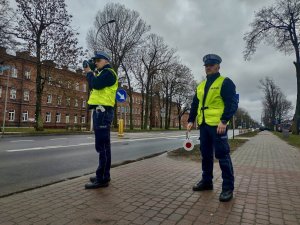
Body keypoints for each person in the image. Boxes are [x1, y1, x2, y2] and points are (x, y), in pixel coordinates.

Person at [187, 54, 238, 202]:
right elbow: (195, 104)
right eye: (206, 65)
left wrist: (224, 121)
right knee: (206, 155)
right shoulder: (201, 85)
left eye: (211, 64)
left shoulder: (225, 82)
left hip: (218, 126)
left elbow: (232, 104)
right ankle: (207, 182)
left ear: (218, 66)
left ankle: (228, 188)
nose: (208, 67)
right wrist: (191, 120)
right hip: (203, 125)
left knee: (223, 155)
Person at [83, 51, 118, 189]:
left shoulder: (108, 73)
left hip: (103, 112)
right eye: (95, 61)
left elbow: (95, 84)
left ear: (105, 60)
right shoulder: (103, 73)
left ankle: (102, 178)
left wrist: (89, 72)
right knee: (104, 146)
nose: (96, 63)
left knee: (102, 146)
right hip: (101, 111)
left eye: (98, 60)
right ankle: (103, 174)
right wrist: (92, 71)